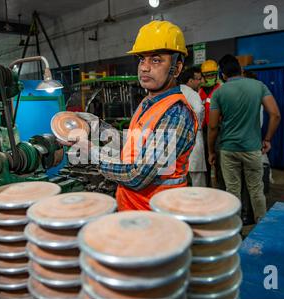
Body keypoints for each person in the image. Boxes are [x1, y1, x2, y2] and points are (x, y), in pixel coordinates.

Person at [70, 21, 198, 211]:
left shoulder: (175, 114)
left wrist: (93, 153)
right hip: (133, 211)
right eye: (141, 59)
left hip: (157, 219)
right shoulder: (148, 103)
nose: (144, 68)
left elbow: (137, 176)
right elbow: (134, 143)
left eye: (155, 60)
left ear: (177, 68)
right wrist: (94, 126)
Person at [208, 54, 281, 222]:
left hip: (228, 149)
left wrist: (211, 151)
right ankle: (261, 228)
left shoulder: (219, 93)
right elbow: (275, 114)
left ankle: (235, 232)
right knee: (256, 190)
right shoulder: (259, 86)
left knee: (232, 191)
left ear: (222, 74)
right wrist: (267, 139)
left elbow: (213, 126)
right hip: (252, 148)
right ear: (240, 69)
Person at [179, 67, 206, 186]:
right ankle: (200, 203)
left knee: (181, 177)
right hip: (193, 136)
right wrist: (197, 125)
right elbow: (199, 109)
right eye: (198, 79)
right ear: (190, 81)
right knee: (197, 177)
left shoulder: (176, 91)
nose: (200, 81)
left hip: (178, 138)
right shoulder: (192, 93)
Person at [199, 59, 223, 187]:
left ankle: (221, 189)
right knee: (205, 163)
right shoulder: (200, 91)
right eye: (207, 75)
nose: (210, 78)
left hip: (219, 130)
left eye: (212, 75)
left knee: (219, 163)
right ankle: (207, 188)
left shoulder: (221, 88)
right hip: (204, 131)